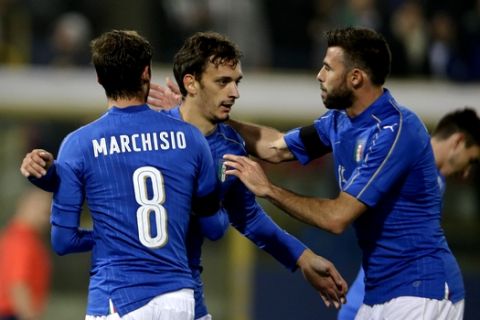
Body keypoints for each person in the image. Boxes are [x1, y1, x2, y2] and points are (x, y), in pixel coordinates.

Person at [20, 31, 348, 319]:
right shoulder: (159, 132)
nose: (234, 92)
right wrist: (48, 176)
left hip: (185, 293)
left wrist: (302, 257)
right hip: (142, 293)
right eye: (223, 81)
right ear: (190, 83)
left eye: (237, 81)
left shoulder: (228, 145)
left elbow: (247, 217)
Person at [222, 26, 465, 319]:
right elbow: (277, 148)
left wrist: (270, 189)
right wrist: (212, 118)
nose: (319, 76)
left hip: (421, 289)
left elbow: (337, 218)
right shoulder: (339, 121)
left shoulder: (394, 131)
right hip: (380, 292)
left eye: (327, 68)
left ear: (355, 78)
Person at [22, 29, 226, 320]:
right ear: (147, 73)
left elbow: (63, 241)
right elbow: (215, 228)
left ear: (99, 78)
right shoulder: (191, 139)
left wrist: (115, 236)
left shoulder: (79, 145)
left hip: (117, 298)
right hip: (178, 299)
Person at [338, 107, 480, 319]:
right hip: (403, 296)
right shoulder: (404, 157)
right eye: (471, 160)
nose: (467, 172)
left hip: (407, 292)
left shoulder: (435, 182)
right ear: (458, 142)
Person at [0, 187, 52, 320]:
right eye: (45, 212)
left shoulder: (12, 236)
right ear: (28, 206)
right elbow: (19, 285)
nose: (48, 220)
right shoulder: (22, 240)